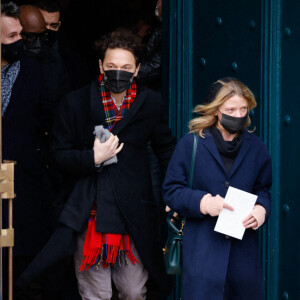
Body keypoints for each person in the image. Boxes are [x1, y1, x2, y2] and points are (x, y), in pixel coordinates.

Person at [17, 28, 175, 299]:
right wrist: (92, 159)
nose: (118, 72)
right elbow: (57, 154)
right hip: (89, 211)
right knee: (96, 294)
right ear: (100, 65)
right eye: (111, 66)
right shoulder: (75, 102)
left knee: (134, 291)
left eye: (126, 67)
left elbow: (166, 148)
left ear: (137, 69)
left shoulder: (150, 104)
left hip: (134, 214)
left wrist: (173, 192)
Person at [163, 78, 272, 300]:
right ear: (216, 111)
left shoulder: (257, 147)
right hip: (203, 252)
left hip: (243, 256)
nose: (238, 115)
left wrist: (261, 210)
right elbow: (171, 190)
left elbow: (264, 190)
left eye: (243, 109)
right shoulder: (191, 144)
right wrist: (203, 203)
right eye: (231, 109)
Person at [1, 2, 52, 299]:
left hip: (23, 182)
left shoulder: (36, 72)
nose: (20, 41)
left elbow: (48, 122)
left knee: (18, 264)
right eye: (11, 36)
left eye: (21, 33)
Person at [35, 0, 90, 90]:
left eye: (53, 25)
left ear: (59, 25)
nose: (48, 29)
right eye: (43, 25)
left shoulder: (72, 61)